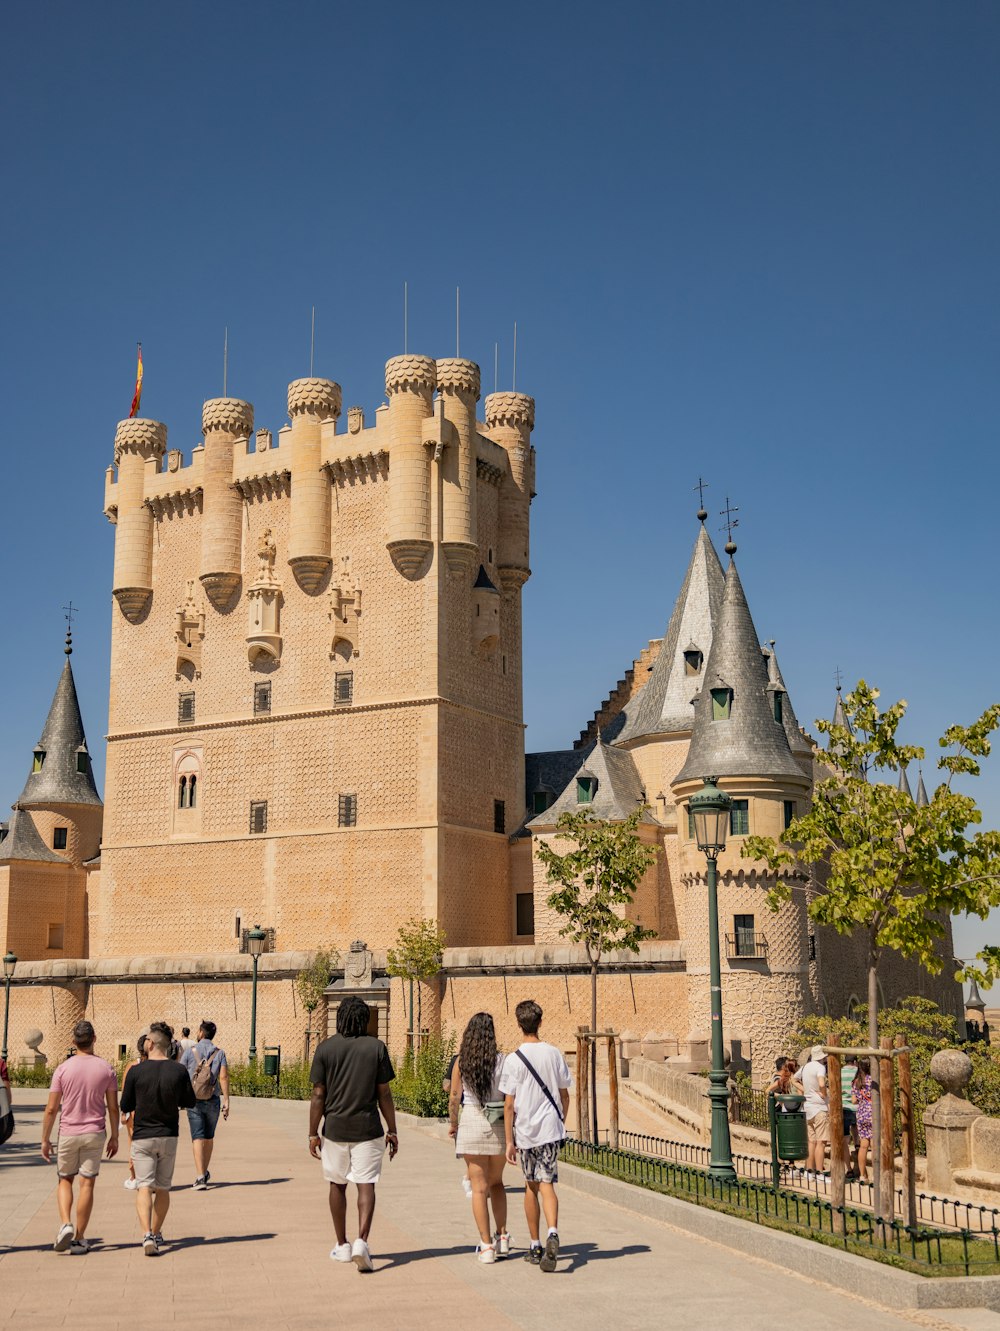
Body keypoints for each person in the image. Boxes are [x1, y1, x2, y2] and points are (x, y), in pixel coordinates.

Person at [309, 995, 398, 1272]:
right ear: (364, 1019)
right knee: (366, 1183)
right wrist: (392, 1129)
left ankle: (342, 1245)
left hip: (334, 1128)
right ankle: (362, 1241)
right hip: (368, 1128)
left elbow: (317, 1094)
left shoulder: (325, 1049)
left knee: (337, 1185)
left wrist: (313, 1133)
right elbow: (384, 1093)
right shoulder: (376, 1048)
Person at [500, 999, 571, 1273]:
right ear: (540, 1022)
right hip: (551, 1130)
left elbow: (508, 1104)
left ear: (519, 1024)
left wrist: (509, 1140)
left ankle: (535, 1244)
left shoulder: (513, 1059)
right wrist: (560, 1120)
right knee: (548, 1183)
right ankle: (553, 1231)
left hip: (527, 1131)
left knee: (531, 1186)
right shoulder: (554, 1053)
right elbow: (565, 1095)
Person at [40, 1020, 119, 1254]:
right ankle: (79, 1238)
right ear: (94, 1039)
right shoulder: (107, 1069)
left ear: (73, 1042)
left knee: (65, 1179)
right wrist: (115, 1136)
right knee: (87, 1183)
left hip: (68, 1132)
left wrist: (45, 1139)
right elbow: (113, 1107)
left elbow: (52, 1109)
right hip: (95, 1133)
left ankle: (65, 1223)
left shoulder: (63, 1069)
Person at [119, 1020, 196, 1255]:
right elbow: (189, 1101)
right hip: (168, 1135)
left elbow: (126, 1104)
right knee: (162, 1188)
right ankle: (157, 1229)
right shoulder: (179, 1070)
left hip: (143, 1136)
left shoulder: (135, 1071)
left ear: (150, 1044)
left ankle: (146, 1235)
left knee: (144, 1187)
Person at [449, 1012, 510, 1263]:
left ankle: (486, 1247)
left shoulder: (462, 1061)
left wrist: (453, 1124)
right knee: (496, 1183)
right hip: (497, 1125)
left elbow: (454, 1097)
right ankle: (502, 1236)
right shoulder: (503, 1061)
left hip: (472, 1122)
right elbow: (509, 1096)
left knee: (478, 1188)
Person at [180, 1020, 230, 1189]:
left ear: (201, 1032)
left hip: (193, 1101)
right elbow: (223, 1077)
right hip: (213, 1100)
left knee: (197, 1137)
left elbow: (181, 1075)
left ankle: (200, 1176)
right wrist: (227, 1100)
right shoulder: (220, 1053)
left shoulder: (189, 1052)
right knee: (209, 1137)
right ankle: (205, 1171)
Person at [444, 1052, 473, 1200]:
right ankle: (470, 1178)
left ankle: (470, 1178)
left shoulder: (457, 1059)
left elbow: (446, 1085)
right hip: (479, 1109)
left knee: (468, 1149)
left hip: (463, 1109)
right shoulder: (493, 1057)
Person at [121, 1033, 148, 1190]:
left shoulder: (132, 1066)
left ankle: (134, 1177)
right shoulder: (158, 1065)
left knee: (133, 1144)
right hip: (153, 1113)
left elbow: (125, 1092)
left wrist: (123, 1113)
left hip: (134, 1113)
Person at [799, 1044, 829, 1177]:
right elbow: (822, 1083)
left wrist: (805, 1090)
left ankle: (809, 1171)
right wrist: (824, 1093)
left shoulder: (805, 1067)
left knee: (811, 1141)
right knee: (821, 1142)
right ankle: (820, 1172)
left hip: (808, 1106)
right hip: (819, 1107)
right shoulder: (820, 1067)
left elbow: (794, 1079)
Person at [853, 1058, 874, 1184]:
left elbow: (854, 1100)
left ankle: (862, 1176)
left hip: (861, 1114)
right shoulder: (873, 1081)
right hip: (873, 1113)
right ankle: (877, 1175)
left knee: (863, 1146)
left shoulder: (856, 1081)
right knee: (875, 1145)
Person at [841, 1054, 860, 1179]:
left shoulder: (839, 1072)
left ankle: (848, 1169)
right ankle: (859, 1168)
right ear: (854, 1061)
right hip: (857, 1108)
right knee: (859, 1140)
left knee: (845, 1142)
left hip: (843, 1108)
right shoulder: (858, 1072)